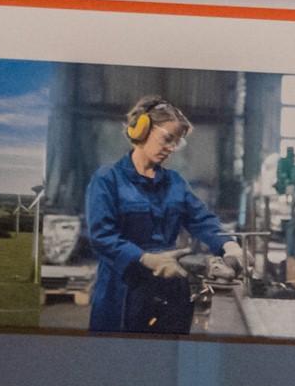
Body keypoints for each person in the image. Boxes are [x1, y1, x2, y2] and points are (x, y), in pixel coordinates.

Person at [84, 99, 242, 335]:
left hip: (170, 289)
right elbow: (101, 236)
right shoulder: (108, 179)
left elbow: (202, 220)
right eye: (167, 138)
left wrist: (229, 245)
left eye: (176, 143)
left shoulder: (175, 182)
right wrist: (146, 259)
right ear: (142, 130)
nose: (171, 147)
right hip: (124, 290)